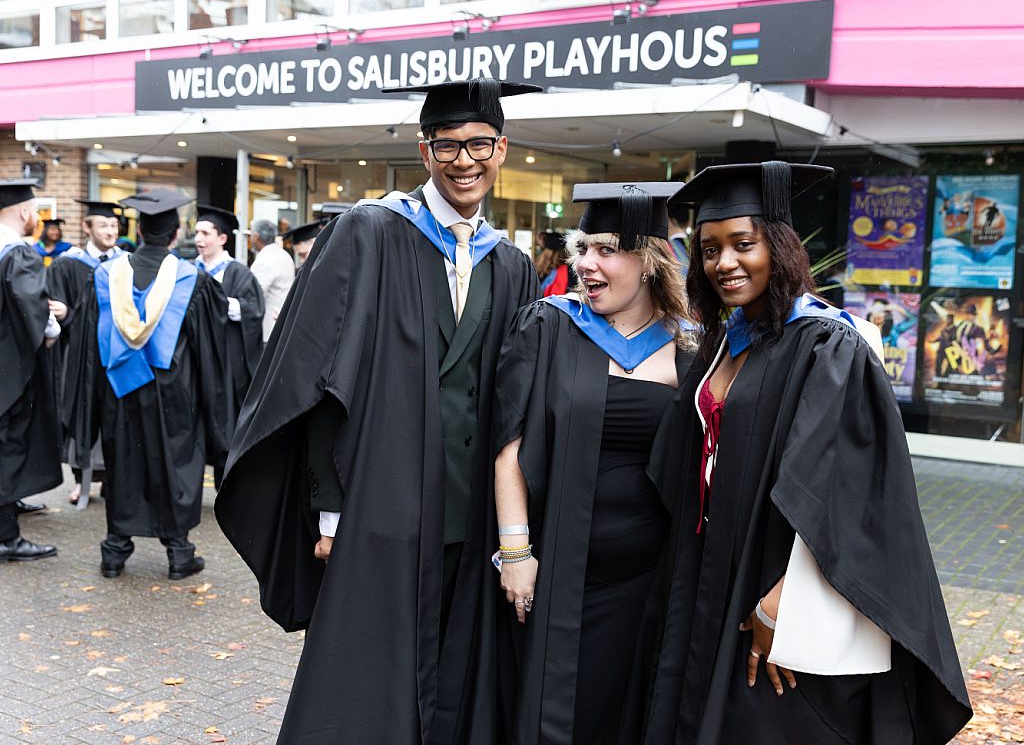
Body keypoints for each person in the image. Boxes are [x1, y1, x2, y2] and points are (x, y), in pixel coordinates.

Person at [216, 77, 541, 743]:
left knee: (454, 678)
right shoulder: (367, 233)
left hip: (470, 510)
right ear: (425, 152)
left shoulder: (511, 265)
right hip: (379, 506)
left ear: (502, 149)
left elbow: (515, 399)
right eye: (447, 145)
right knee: (365, 683)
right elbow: (319, 380)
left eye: (479, 144)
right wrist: (330, 509)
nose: (464, 160)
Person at [643, 162, 971, 744]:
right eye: (710, 249)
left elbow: (838, 490)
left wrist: (781, 609)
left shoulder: (828, 345)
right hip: (712, 576)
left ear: (781, 247)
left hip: (776, 585)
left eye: (744, 244)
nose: (724, 263)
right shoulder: (725, 342)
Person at [494, 182, 692, 745]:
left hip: (649, 579)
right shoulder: (550, 326)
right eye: (583, 249)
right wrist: (515, 551)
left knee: (630, 711)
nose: (586, 263)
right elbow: (509, 443)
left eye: (607, 250)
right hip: (558, 569)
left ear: (650, 260)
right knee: (555, 714)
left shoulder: (691, 349)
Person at [71, 188, 228, 579]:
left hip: (119, 393)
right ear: (176, 234)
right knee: (174, 464)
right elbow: (210, 352)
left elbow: (88, 349)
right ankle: (179, 553)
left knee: (123, 463)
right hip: (175, 396)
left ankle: (115, 550)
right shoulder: (193, 280)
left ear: (139, 230)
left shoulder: (106, 277)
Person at [0, 179, 62, 562]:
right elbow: (31, 306)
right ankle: (6, 536)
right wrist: (52, 328)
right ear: (24, 212)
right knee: (9, 448)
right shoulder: (18, 253)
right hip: (10, 372)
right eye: (36, 210)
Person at [48, 199, 125, 507]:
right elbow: (55, 307)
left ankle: (112, 480)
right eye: (104, 225)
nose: (110, 231)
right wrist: (65, 313)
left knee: (115, 417)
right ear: (87, 227)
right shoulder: (68, 263)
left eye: (114, 225)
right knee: (82, 413)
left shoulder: (125, 263)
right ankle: (82, 481)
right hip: (79, 356)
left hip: (115, 354)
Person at [193, 204, 265, 485]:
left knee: (227, 425)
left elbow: (253, 311)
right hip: (198, 361)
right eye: (197, 232)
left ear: (222, 239)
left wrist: (220, 304)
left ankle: (227, 482)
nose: (198, 238)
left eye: (205, 233)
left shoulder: (239, 273)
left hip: (227, 365)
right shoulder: (189, 270)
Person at [249, 218, 295, 342]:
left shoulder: (265, 261)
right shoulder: (284, 255)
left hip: (268, 331)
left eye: (251, 234)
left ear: (256, 236)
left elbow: (253, 296)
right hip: (281, 327)